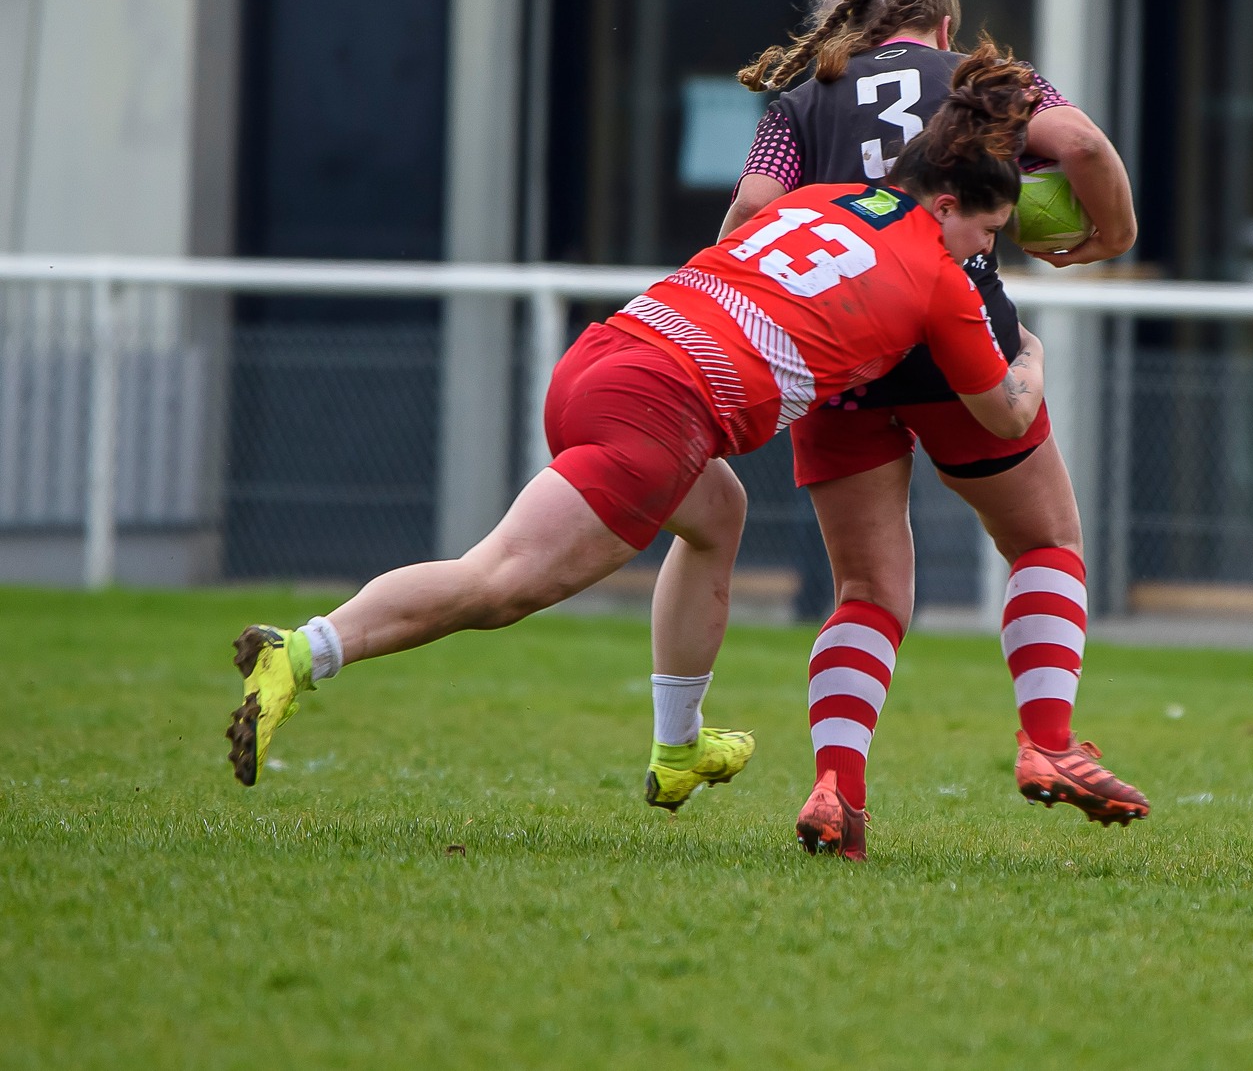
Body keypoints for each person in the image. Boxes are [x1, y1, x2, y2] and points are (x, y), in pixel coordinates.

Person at [226, 48, 1047, 826]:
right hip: (658, 411)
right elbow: (1008, 414)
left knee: (717, 514)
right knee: (499, 581)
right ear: (944, 204)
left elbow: (743, 240)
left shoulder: (815, 200)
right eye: (989, 229)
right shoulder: (942, 277)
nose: (987, 249)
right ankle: (301, 652)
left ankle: (678, 748)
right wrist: (1030, 353)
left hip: (604, 355)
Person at [727, 0, 1147, 858]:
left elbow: (753, 211)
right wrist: (1112, 236)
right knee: (1043, 542)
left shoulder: (805, 98)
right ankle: (1048, 740)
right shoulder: (983, 81)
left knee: (869, 591)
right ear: (946, 29)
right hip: (956, 334)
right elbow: (1083, 148)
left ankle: (838, 787)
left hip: (839, 346)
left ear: (857, 29)